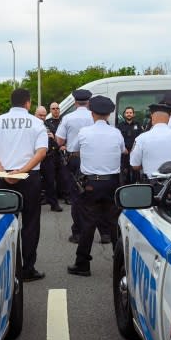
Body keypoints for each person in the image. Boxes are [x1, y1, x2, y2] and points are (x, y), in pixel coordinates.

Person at [0, 88, 47, 282]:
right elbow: (41, 152)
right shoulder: (37, 123)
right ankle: (27, 269)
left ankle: (2, 269)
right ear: (28, 103)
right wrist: (22, 171)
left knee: (2, 223)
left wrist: (4, 173)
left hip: (2, 178)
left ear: (11, 102)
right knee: (30, 224)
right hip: (29, 178)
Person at [67, 95, 125, 277]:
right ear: (108, 115)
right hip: (112, 182)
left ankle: (83, 264)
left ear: (92, 113)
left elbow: (73, 149)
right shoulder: (116, 133)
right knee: (114, 223)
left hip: (91, 183)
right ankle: (121, 264)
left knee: (87, 224)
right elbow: (123, 150)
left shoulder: (84, 132)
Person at [55, 89, 95, 244]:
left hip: (74, 159)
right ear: (89, 101)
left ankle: (78, 232)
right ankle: (102, 232)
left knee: (76, 196)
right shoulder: (95, 116)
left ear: (75, 102)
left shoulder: (68, 118)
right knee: (94, 196)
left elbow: (59, 141)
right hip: (93, 159)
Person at [130, 103, 171, 179]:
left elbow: (135, 166)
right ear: (169, 119)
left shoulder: (141, 138)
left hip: (152, 185)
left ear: (152, 117)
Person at [35, 105, 63, 212]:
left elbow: (57, 145)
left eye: (44, 115)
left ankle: (54, 204)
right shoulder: (30, 126)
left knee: (51, 182)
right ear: (35, 114)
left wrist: (52, 137)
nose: (42, 117)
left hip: (48, 157)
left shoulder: (49, 125)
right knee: (33, 182)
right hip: (34, 158)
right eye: (40, 115)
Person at [46, 102, 69, 202]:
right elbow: (48, 138)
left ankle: (66, 196)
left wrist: (65, 146)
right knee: (50, 178)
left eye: (57, 108)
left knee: (64, 176)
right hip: (51, 153)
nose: (56, 110)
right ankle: (50, 198)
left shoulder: (64, 121)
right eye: (53, 108)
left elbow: (69, 136)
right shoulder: (46, 123)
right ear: (50, 110)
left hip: (62, 153)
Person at [117, 106, 143, 184]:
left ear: (133, 114)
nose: (129, 114)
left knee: (136, 172)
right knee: (125, 172)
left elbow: (141, 138)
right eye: (127, 113)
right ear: (124, 114)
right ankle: (125, 186)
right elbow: (118, 139)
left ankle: (136, 185)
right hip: (124, 153)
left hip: (135, 152)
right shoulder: (120, 126)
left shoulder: (138, 125)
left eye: (130, 113)